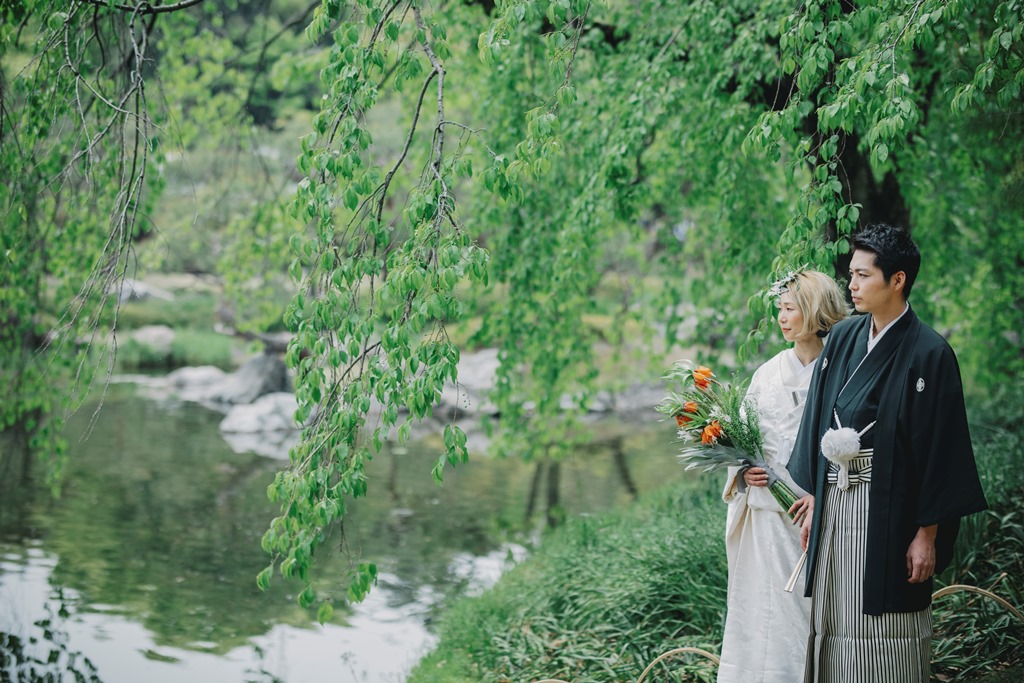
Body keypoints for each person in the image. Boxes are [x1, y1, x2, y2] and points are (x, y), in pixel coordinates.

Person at [786, 223, 988, 683]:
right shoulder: (843, 338)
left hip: (894, 511)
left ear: (897, 280)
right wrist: (817, 497)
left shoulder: (931, 352)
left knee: (887, 618)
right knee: (839, 609)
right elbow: (818, 418)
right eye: (851, 275)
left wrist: (927, 534)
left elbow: (943, 449)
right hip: (839, 502)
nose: (851, 286)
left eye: (863, 276)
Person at [717, 270, 848, 683]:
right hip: (767, 521)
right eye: (780, 309)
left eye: (790, 308)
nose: (781, 317)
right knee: (764, 616)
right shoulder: (766, 375)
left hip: (823, 514)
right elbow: (741, 443)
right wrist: (744, 472)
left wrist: (823, 497)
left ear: (813, 311)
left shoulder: (844, 370)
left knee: (817, 615)